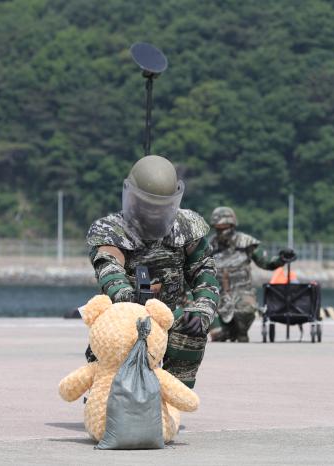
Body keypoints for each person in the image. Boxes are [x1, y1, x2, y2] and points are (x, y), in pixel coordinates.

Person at [86, 154, 219, 388]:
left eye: (161, 207)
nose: (154, 213)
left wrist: (202, 310)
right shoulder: (111, 230)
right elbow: (109, 269)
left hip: (169, 316)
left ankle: (173, 397)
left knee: (192, 329)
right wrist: (129, 297)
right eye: (148, 206)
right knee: (114, 370)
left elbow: (204, 273)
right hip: (124, 317)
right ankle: (106, 391)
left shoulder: (187, 227)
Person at [207, 206, 295, 342]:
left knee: (246, 310)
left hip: (242, 292)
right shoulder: (210, 245)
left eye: (224, 226)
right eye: (218, 227)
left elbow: (266, 263)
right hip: (217, 294)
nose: (221, 230)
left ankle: (240, 332)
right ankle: (224, 331)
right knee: (217, 333)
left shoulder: (246, 242)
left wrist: (281, 259)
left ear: (232, 225)